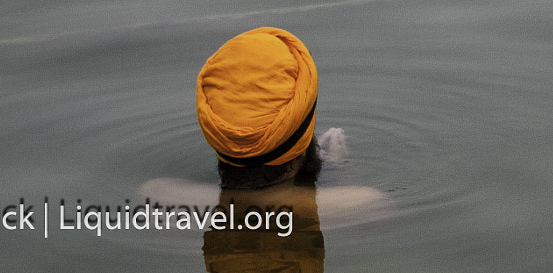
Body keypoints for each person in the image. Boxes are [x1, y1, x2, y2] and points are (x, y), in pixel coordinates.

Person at [140, 27, 385, 272]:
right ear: (301, 134)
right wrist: (336, 174)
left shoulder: (159, 199)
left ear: (214, 128)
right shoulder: (362, 205)